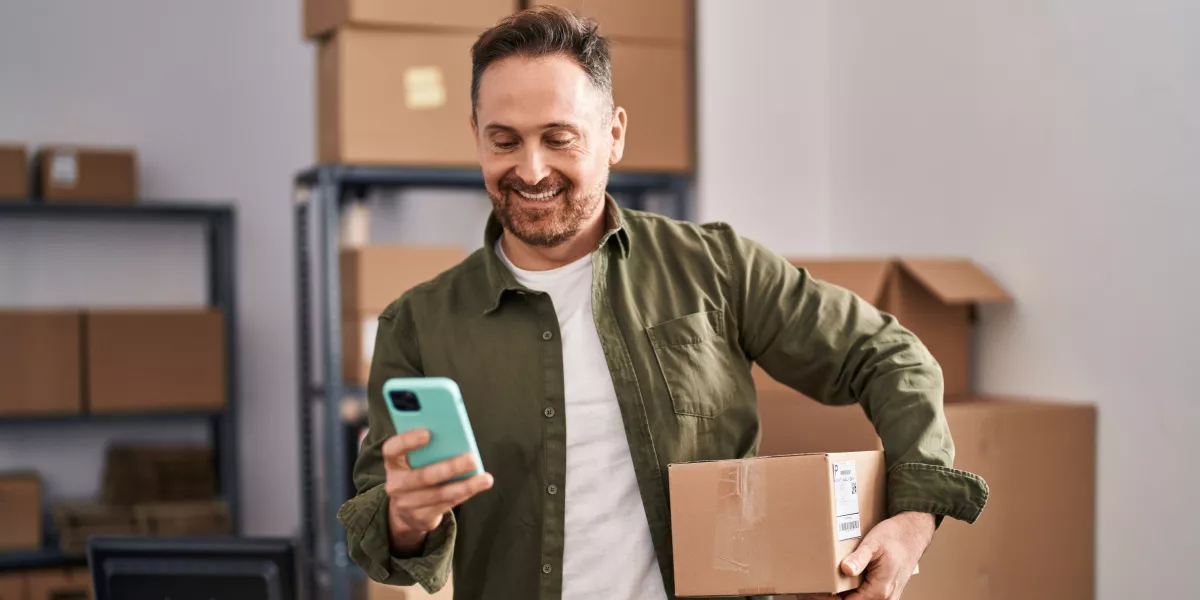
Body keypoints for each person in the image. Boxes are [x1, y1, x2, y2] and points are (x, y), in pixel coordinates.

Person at [339, 6, 988, 600]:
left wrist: (913, 515)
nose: (531, 170)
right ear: (475, 134)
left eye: (560, 138)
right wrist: (404, 517)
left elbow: (889, 356)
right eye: (504, 140)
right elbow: (378, 541)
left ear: (614, 134)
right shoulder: (418, 323)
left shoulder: (716, 268)